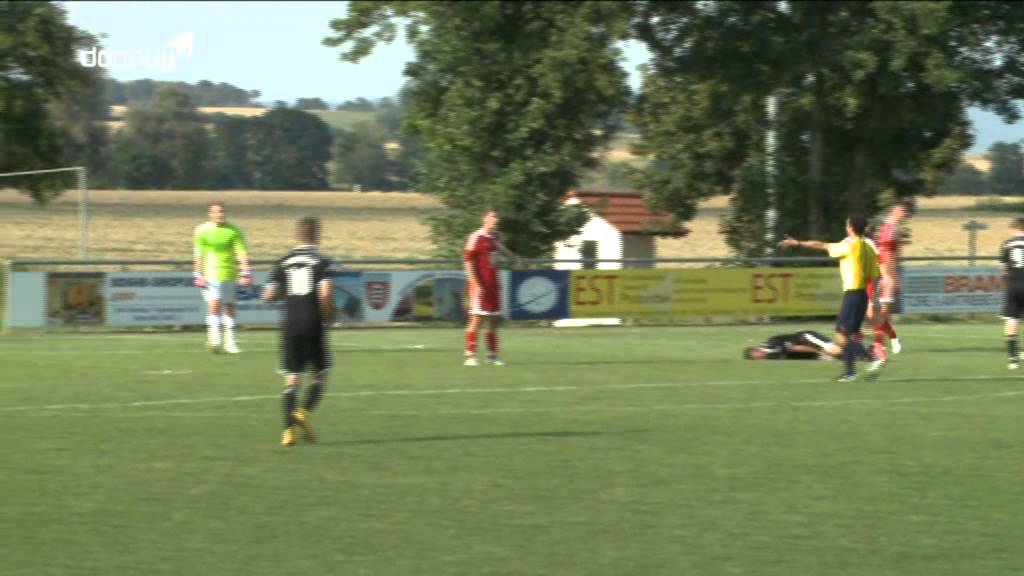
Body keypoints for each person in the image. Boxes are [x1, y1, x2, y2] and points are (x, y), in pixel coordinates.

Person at [779, 215, 882, 381]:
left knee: (840, 337)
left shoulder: (848, 245)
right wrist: (874, 298)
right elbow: (876, 275)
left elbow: (820, 245)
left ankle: (873, 359)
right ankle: (850, 373)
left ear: (851, 227)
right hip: (862, 295)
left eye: (847, 224)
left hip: (853, 295)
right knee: (850, 337)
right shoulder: (869, 247)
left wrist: (797, 243)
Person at [261, 217, 335, 447]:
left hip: (290, 324)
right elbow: (325, 294)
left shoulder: (282, 262)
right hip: (313, 322)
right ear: (318, 235)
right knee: (320, 374)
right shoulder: (322, 262)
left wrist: (288, 295)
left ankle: (288, 432)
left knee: (292, 378)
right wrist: (330, 313)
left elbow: (268, 296)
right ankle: (303, 411)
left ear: (297, 235)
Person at [463, 208, 520, 366]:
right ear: (484, 218)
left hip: (493, 284)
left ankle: (492, 355)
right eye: (493, 217)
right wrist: (475, 281)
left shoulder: (495, 237)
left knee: (494, 320)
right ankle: (470, 355)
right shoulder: (476, 237)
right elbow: (468, 261)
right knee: (477, 319)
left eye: (497, 217)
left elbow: (501, 249)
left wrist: (516, 259)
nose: (496, 220)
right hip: (480, 284)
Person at [193, 201, 251, 354]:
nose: (220, 214)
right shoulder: (202, 230)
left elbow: (241, 252)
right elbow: (199, 254)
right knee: (214, 304)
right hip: (210, 273)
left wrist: (246, 272)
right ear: (210, 214)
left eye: (222, 211)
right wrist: (198, 274)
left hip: (228, 273)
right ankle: (215, 337)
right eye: (216, 212)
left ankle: (230, 341)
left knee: (229, 306)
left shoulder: (234, 230)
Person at [867, 197, 915, 362]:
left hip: (883, 274)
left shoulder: (891, 228)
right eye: (904, 212)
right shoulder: (888, 228)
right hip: (879, 274)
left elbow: (891, 256)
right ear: (897, 210)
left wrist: (891, 276)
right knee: (874, 313)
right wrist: (892, 277)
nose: (905, 216)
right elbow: (887, 256)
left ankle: (878, 347)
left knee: (882, 313)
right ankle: (890, 339)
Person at [999, 218, 1024, 370]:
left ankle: (1013, 358)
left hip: (1013, 284)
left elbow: (1003, 267)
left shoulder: (1007, 244)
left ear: (1016, 229)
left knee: (1012, 319)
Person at [743, 330, 840, 360]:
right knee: (837, 357)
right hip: (810, 354)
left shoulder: (771, 343)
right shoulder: (771, 357)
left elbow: (795, 347)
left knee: (832, 350)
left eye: (757, 355)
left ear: (757, 349)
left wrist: (820, 352)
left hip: (807, 339)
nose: (760, 358)